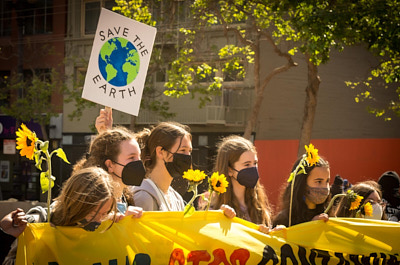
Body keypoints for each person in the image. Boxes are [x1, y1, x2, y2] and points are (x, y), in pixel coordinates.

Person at [0, 167, 141, 265]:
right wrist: (6, 235)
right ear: (76, 204)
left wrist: (124, 223)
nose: (98, 220)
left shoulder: (106, 220)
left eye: (104, 213)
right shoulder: (41, 220)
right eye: (92, 213)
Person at [74, 125, 145, 213]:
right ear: (110, 165)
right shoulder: (91, 205)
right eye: (131, 157)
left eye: (139, 157)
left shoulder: (126, 198)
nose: (139, 162)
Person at [208, 135, 273, 232]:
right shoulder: (214, 208)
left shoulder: (259, 207)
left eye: (255, 163)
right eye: (247, 164)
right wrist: (220, 218)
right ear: (229, 170)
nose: (253, 169)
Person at [273, 146, 330, 227]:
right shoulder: (286, 219)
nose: (325, 187)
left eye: (327, 181)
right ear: (303, 183)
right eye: (319, 181)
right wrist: (311, 226)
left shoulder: (329, 215)